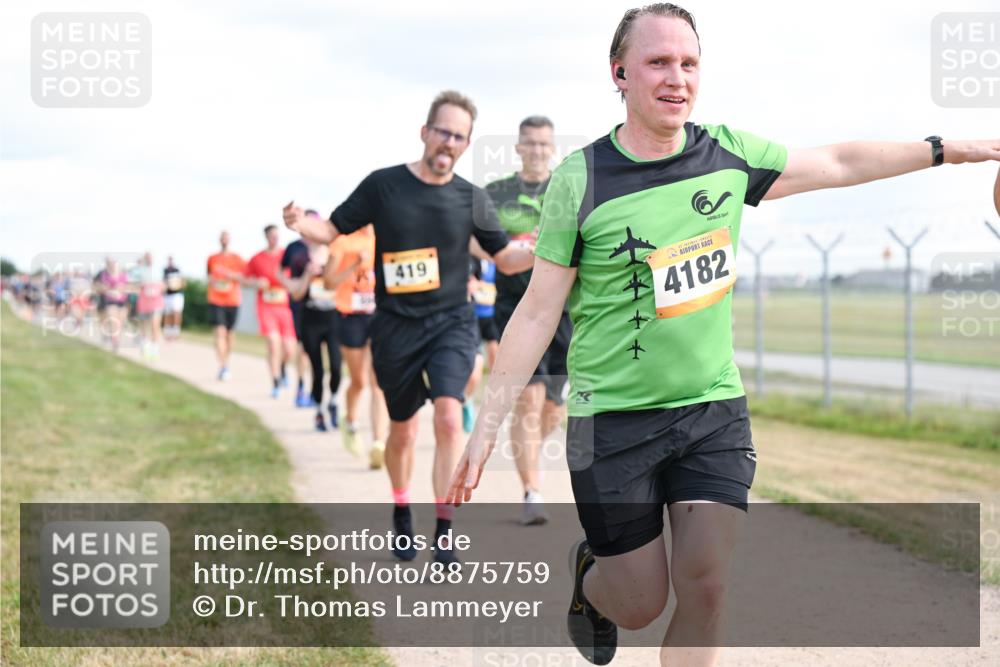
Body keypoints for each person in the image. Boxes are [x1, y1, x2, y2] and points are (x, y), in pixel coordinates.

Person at [445, 5, 1000, 666]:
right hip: (612, 422)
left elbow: (839, 160)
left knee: (706, 584)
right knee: (640, 602)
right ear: (620, 73)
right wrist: (485, 427)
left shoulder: (728, 154)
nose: (676, 77)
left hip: (712, 410)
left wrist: (943, 149)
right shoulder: (580, 179)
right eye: (658, 62)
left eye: (689, 63)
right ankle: (594, 584)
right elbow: (537, 311)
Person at [284, 90, 535, 566]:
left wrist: (540, 250)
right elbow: (331, 230)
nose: (449, 142)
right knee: (401, 431)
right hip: (396, 326)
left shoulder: (471, 198)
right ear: (425, 132)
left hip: (451, 324)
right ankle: (402, 506)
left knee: (446, 415)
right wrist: (300, 223)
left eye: (459, 137)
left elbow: (504, 258)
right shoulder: (384, 186)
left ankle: (443, 526)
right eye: (443, 131)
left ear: (466, 144)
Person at [485, 115, 573, 526]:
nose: (537, 150)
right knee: (529, 400)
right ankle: (532, 492)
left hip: (565, 311)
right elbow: (489, 252)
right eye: (530, 144)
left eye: (544, 144)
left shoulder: (569, 188)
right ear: (518, 148)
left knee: (552, 409)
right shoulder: (496, 194)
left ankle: (531, 455)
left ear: (552, 148)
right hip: (516, 310)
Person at [326, 224, 389, 467]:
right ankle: (350, 422)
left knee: (378, 383)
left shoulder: (387, 238)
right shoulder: (343, 242)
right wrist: (354, 264)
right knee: (359, 381)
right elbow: (329, 283)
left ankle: (378, 443)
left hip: (379, 316)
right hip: (350, 316)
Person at [282, 239, 340, 431]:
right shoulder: (300, 260)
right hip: (311, 318)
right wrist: (308, 274)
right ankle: (319, 411)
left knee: (336, 366)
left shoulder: (336, 255)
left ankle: (333, 400)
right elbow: (297, 294)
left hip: (333, 318)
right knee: (317, 369)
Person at [246, 225, 298, 398]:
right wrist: (256, 283)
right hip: (265, 306)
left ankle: (282, 367)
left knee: (289, 349)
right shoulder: (256, 258)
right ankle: (275, 381)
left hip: (285, 307)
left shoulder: (287, 255)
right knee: (273, 343)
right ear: (266, 237)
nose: (275, 239)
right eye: (271, 236)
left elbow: (296, 276)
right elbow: (245, 279)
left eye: (277, 235)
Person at [461, 257, 499, 433]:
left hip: (493, 318)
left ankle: (492, 410)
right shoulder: (470, 259)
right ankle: (466, 402)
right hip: (473, 318)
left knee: (497, 363)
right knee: (475, 371)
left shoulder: (500, 258)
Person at [282, 224, 316, 407]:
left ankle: (315, 389)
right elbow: (281, 271)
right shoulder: (293, 247)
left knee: (319, 351)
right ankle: (301, 387)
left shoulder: (325, 246)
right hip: (300, 304)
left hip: (322, 305)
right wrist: (289, 285)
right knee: (304, 348)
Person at [207, 231, 247, 380]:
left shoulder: (237, 259)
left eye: (226, 237)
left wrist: (231, 276)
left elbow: (245, 277)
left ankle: (226, 361)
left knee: (229, 334)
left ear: (229, 240)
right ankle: (222, 366)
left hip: (233, 300)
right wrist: (213, 280)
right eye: (222, 237)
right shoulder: (212, 258)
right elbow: (209, 276)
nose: (224, 239)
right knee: (219, 332)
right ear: (219, 240)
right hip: (216, 299)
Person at [134, 252, 165, 360]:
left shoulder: (159, 270)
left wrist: (161, 287)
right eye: (147, 257)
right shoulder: (139, 271)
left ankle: (155, 348)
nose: (149, 259)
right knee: (144, 325)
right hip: (144, 302)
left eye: (151, 257)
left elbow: (163, 285)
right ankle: (145, 344)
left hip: (156, 301)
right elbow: (135, 284)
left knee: (155, 324)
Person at [162, 256, 185, 340]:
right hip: (168, 295)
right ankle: (168, 333)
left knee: (176, 313)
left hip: (177, 295)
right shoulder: (165, 270)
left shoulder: (177, 270)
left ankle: (176, 332)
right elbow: (164, 282)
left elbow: (182, 282)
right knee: (168, 314)